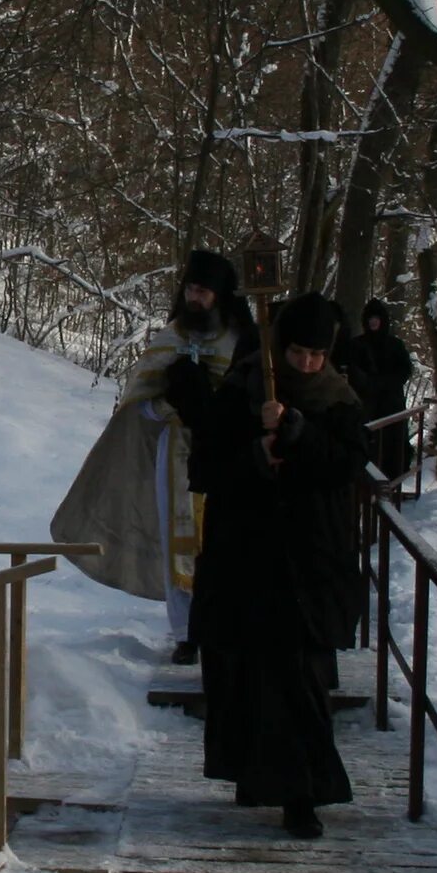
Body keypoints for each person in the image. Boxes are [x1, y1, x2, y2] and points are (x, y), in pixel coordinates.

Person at [162, 290, 369, 837]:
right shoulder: (243, 387)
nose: (307, 364)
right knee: (248, 680)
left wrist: (300, 434)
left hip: (309, 564)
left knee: (301, 680)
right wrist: (256, 455)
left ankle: (303, 796)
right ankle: (257, 782)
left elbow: (349, 464)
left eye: (317, 355)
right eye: (298, 352)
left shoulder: (339, 400)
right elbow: (205, 467)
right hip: (246, 559)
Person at [116, 250, 253, 663]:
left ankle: (225, 623)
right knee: (177, 537)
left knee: (223, 537)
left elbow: (252, 395)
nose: (195, 298)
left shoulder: (239, 339)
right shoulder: (171, 336)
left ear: (220, 295)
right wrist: (171, 408)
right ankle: (186, 633)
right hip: (175, 452)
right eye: (191, 289)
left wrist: (213, 405)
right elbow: (139, 400)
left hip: (227, 453)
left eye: (204, 291)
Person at [342, 299, 418, 484]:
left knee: (393, 447)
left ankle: (392, 484)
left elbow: (405, 370)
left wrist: (385, 383)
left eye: (377, 318)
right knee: (370, 445)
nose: (373, 322)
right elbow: (351, 371)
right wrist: (366, 383)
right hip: (367, 405)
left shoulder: (395, 345)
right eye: (370, 318)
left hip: (392, 404)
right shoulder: (357, 345)